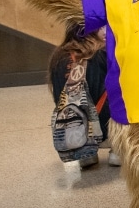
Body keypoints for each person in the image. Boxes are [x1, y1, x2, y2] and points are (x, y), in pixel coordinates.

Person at [48, 25, 120, 168]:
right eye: (100, 27)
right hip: (104, 129)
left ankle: (87, 154)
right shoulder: (104, 53)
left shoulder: (57, 57)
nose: (105, 32)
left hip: (72, 131)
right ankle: (117, 150)